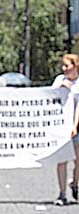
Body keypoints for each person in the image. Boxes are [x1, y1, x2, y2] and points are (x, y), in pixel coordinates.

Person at [52, 53, 79, 205]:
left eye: (67, 65)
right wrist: (61, 88)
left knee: (78, 161)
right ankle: (62, 193)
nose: (64, 69)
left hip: (76, 126)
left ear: (75, 66)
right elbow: (48, 98)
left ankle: (75, 183)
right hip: (61, 126)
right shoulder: (59, 80)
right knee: (62, 161)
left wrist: (74, 126)